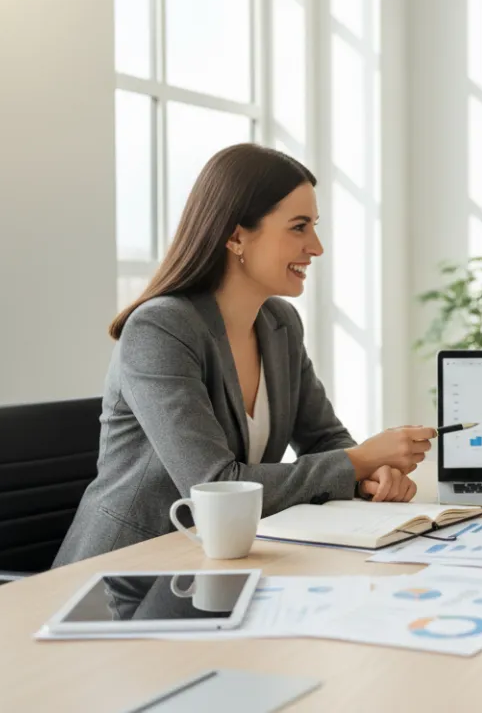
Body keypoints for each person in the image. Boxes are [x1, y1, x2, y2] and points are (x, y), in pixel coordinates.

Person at [55, 144, 432, 566]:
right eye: (299, 227)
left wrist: (371, 476)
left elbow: (324, 437)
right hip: (125, 572)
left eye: (315, 226)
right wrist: (359, 460)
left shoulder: (280, 324)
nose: (317, 247)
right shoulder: (160, 329)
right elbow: (214, 484)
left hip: (224, 560)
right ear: (236, 236)